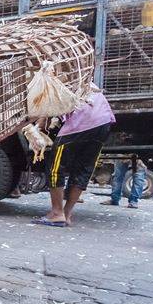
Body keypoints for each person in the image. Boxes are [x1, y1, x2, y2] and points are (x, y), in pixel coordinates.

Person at [33, 86, 115, 227]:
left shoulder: (51, 83)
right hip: (103, 122)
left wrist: (36, 129)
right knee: (84, 168)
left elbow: (43, 120)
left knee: (55, 167)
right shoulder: (86, 79)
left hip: (80, 122)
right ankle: (67, 213)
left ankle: (57, 214)